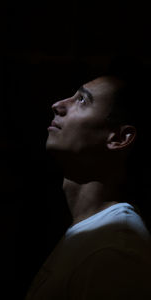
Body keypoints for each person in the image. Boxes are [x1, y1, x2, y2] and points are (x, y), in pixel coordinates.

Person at [24, 56, 151, 300]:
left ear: (119, 138)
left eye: (82, 100)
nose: (58, 105)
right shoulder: (95, 234)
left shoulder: (115, 252)